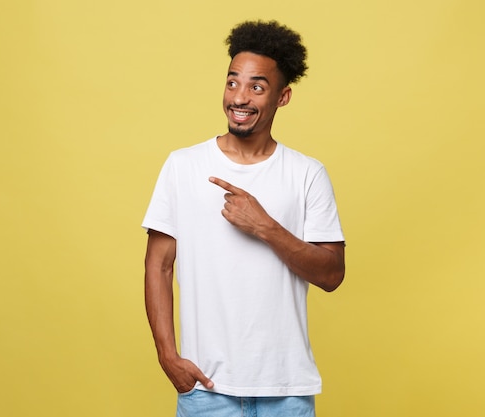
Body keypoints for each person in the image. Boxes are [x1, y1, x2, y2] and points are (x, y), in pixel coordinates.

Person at [143, 20, 345, 417]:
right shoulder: (183, 166)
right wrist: (168, 356)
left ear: (282, 97)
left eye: (257, 86)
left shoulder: (307, 174)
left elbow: (331, 274)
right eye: (232, 82)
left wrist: (264, 226)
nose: (240, 97)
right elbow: (159, 265)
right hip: (206, 390)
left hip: (286, 392)